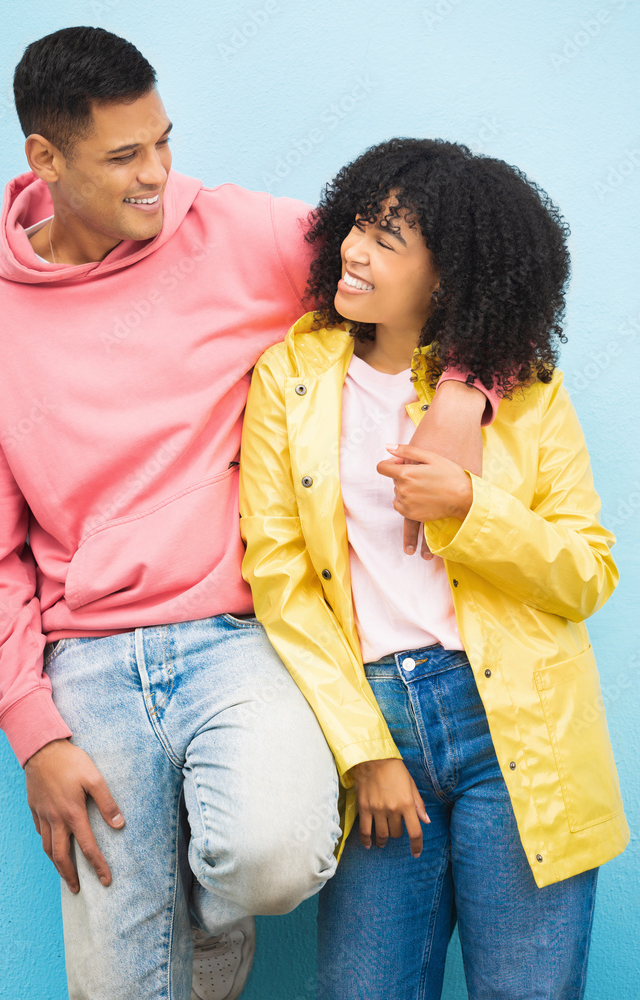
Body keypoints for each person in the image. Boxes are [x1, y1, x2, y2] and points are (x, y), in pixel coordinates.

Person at [0, 28, 493, 1000]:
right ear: (44, 159)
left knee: (273, 856)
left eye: (164, 141)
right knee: (119, 987)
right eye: (124, 157)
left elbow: (438, 267)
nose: (158, 174)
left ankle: (205, 929)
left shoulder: (240, 233)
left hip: (238, 634)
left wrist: (463, 385)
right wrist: (35, 731)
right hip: (89, 662)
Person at [239, 138, 629, 999]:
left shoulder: (524, 391)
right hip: (378, 724)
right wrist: (363, 750)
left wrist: (469, 509)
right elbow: (282, 581)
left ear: (447, 274)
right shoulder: (291, 377)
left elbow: (586, 575)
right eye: (356, 225)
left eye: (387, 238)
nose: (351, 248)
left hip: (516, 726)